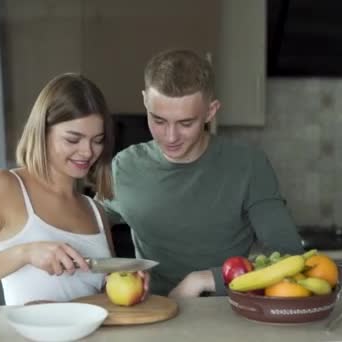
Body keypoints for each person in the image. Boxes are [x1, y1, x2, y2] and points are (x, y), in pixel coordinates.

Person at [100, 49, 303, 298]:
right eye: (159, 120)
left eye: (186, 123)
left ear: (210, 111)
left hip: (229, 314)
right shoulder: (126, 167)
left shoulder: (247, 165)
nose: (170, 137)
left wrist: (205, 279)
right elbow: (86, 225)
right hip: (153, 316)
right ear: (145, 101)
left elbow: (290, 257)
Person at [0, 73, 147, 305]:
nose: (87, 151)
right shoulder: (4, 187)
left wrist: (127, 285)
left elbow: (103, 296)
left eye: (97, 140)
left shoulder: (94, 209)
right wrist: (25, 253)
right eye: (73, 139)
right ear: (43, 132)